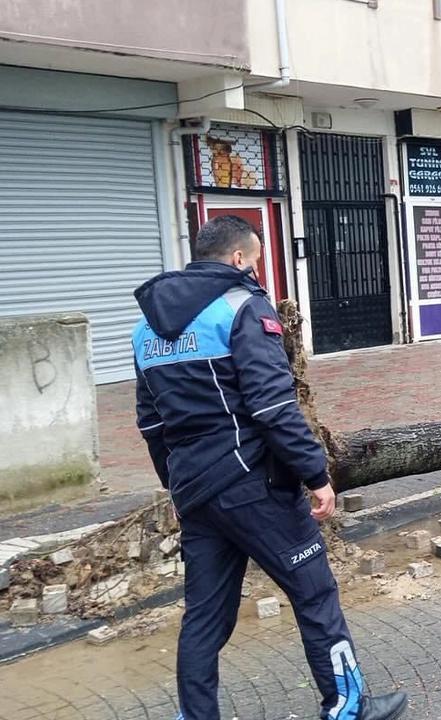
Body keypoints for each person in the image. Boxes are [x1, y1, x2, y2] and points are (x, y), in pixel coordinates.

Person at [131, 216, 407, 720]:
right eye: (255, 261)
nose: (256, 270)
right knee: (315, 591)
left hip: (195, 492)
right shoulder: (242, 307)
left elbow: (151, 424)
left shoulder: (145, 328)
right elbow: (272, 407)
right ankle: (348, 707)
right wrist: (315, 474)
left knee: (205, 616)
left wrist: (177, 484)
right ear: (239, 258)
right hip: (252, 485)